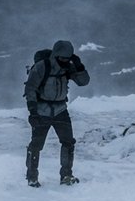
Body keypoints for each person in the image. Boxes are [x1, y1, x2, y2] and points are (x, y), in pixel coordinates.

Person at [23, 40, 89, 187]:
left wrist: (79, 67)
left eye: (68, 58)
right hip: (41, 111)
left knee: (68, 142)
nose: (65, 60)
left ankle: (66, 175)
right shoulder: (42, 67)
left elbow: (84, 82)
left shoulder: (68, 67)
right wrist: (33, 112)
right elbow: (31, 89)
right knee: (36, 145)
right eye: (63, 58)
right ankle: (32, 177)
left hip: (60, 109)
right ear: (56, 55)